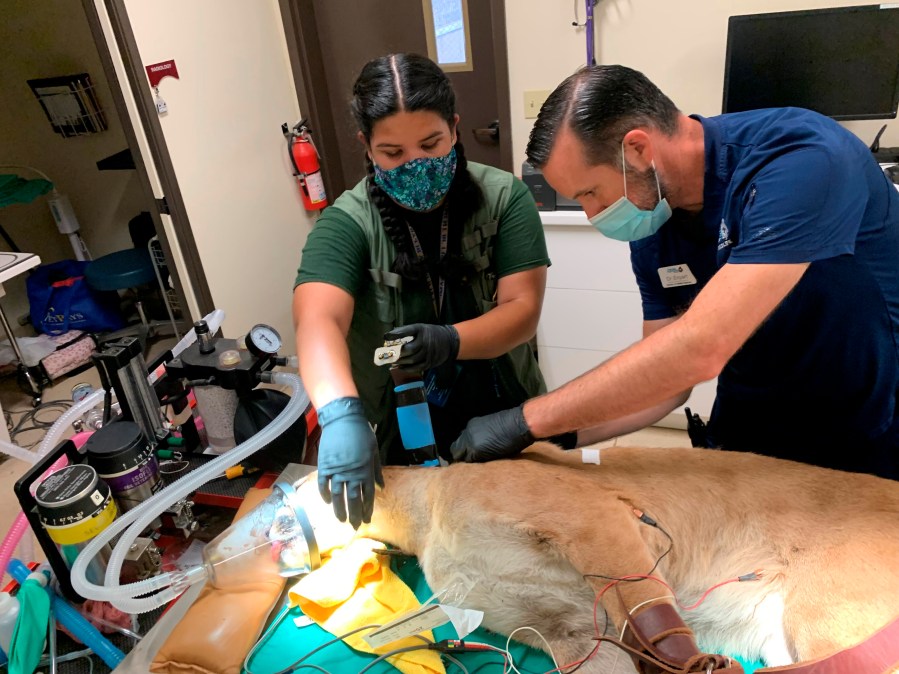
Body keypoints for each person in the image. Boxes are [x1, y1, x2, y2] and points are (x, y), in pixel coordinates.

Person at [450, 64, 899, 480]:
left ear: (639, 149)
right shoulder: (654, 221)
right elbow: (666, 383)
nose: (592, 215)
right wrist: (551, 435)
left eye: (590, 192)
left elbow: (702, 346)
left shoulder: (800, 159)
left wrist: (526, 418)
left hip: (860, 426)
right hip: (747, 429)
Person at [294, 53, 554, 528]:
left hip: (500, 407)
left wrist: (450, 341)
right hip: (402, 418)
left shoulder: (505, 199)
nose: (415, 164)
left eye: (431, 144)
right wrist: (339, 413)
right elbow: (318, 320)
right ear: (366, 147)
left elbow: (523, 309)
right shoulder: (348, 223)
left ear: (455, 129)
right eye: (392, 153)